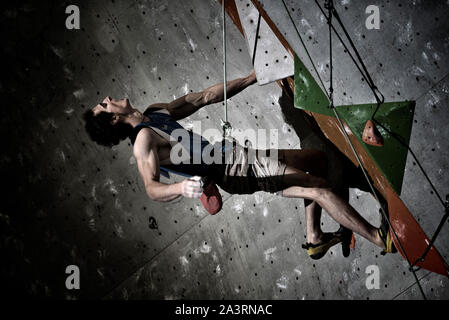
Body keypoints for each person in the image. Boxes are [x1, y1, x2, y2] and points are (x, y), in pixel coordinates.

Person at [83, 71, 396, 260]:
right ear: (113, 118)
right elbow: (151, 188)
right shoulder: (142, 141)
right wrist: (181, 187)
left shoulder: (154, 112)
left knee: (319, 162)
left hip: (235, 155)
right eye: (104, 104)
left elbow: (202, 97)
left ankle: (314, 239)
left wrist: (251, 77)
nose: (108, 97)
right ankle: (379, 237)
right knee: (320, 188)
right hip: (234, 170)